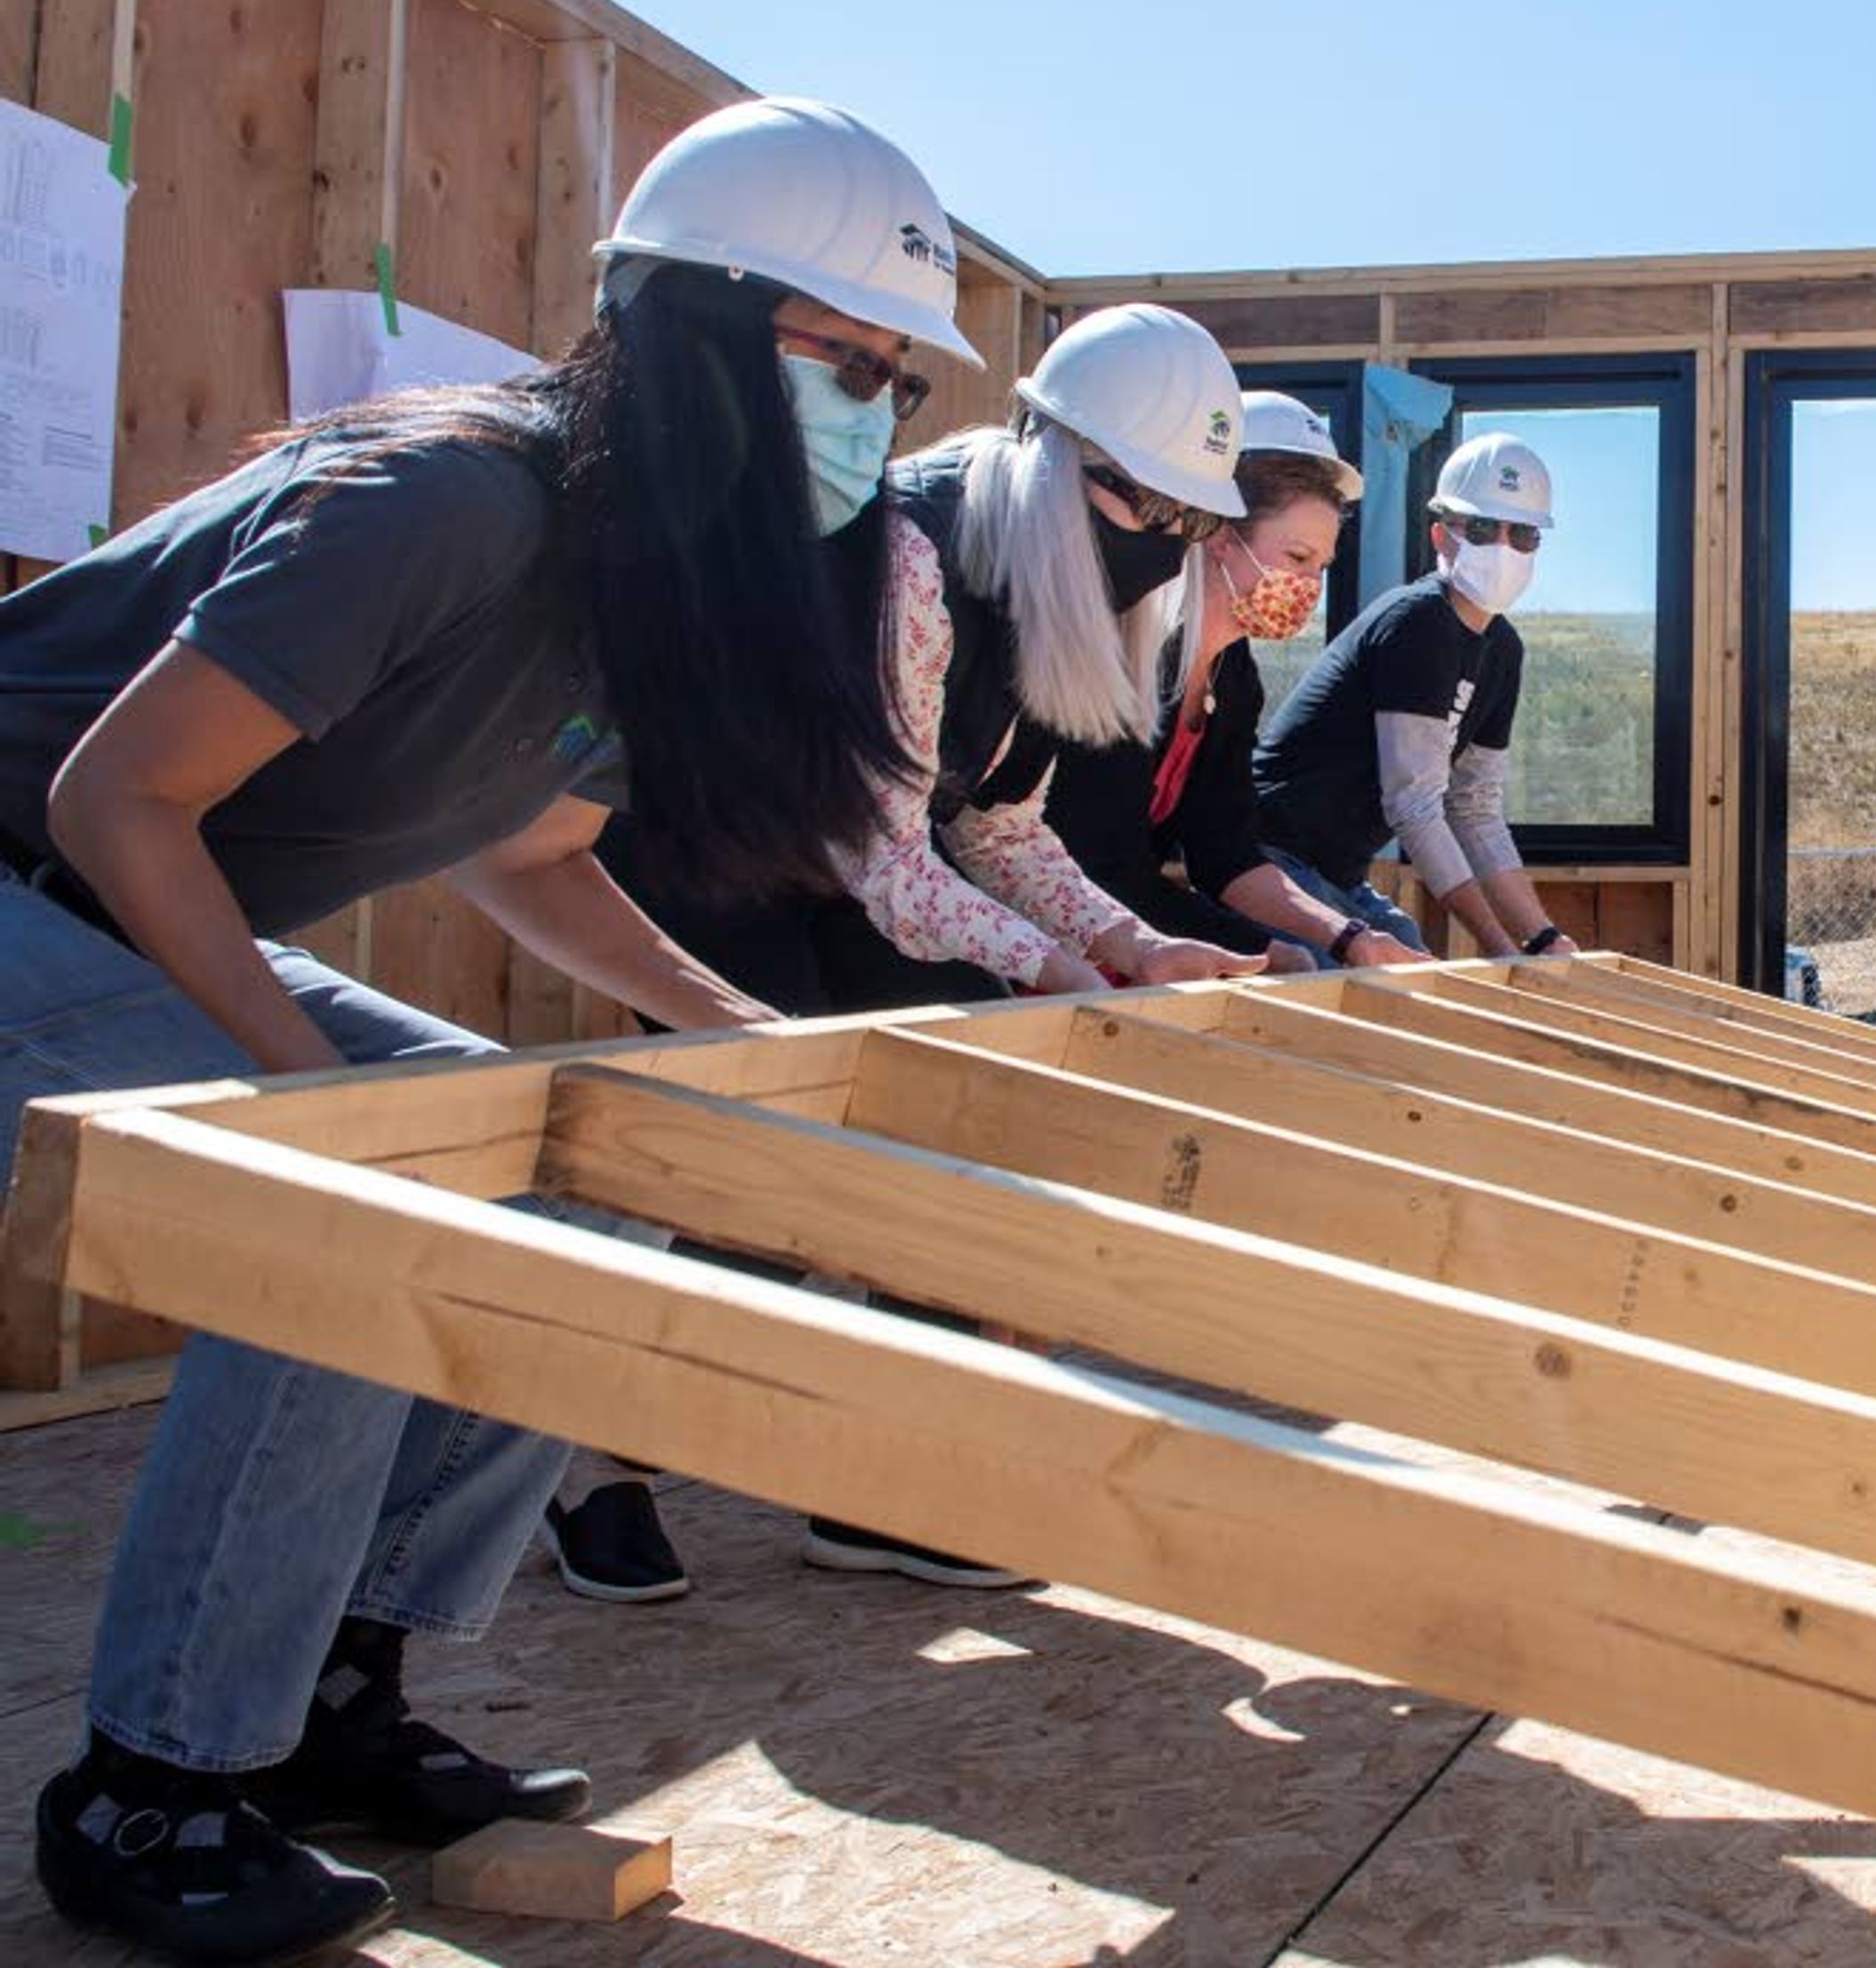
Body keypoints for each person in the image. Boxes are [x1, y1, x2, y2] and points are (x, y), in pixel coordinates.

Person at [0, 95, 982, 1964]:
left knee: (583, 1161)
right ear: (687, 322)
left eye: (892, 382)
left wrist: (728, 1029)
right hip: (31, 879)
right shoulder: (448, 497)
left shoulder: (638, 574)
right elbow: (116, 798)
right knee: (354, 1224)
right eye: (841, 360)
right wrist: (316, 1113)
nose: (872, 409)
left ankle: (326, 1694)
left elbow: (528, 849)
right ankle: (157, 1777)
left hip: (101, 897)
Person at [544, 302, 1269, 1604]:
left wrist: (1126, 938)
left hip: (860, 874)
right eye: (1148, 509)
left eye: (1192, 525)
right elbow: (886, 857)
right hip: (716, 860)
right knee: (756, 1170)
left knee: (958, 1115)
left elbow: (996, 826)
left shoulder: (1058, 595)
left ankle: (883, 1481)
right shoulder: (911, 550)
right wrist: (1060, 972)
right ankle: (592, 1457)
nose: (1167, 550)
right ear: (1059, 457)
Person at [1047, 390, 1434, 972]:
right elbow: (1103, 864)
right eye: (1298, 557)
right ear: (1219, 535)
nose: (1309, 585)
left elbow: (1225, 855)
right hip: (1037, 942)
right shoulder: (1127, 651)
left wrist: (1347, 937)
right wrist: (1269, 952)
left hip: (1123, 935)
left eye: (1321, 568)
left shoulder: (1234, 677)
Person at [1251, 433, 1582, 963]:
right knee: (1361, 993)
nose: (1501, 547)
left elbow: (1473, 807)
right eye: (1479, 528)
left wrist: (1540, 937)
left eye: (1521, 534)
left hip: (1339, 875)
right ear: (1439, 535)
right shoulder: (1417, 622)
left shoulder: (1502, 652)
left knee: (1410, 969)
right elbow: (1414, 803)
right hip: (1268, 863)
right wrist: (1499, 947)